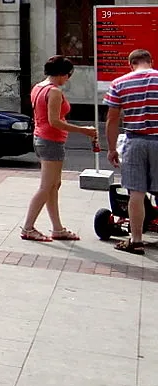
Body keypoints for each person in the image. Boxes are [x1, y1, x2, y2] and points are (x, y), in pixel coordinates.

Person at [21, 55, 98, 242]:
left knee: (53, 186)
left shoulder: (38, 87)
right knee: (47, 186)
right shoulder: (54, 92)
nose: (68, 79)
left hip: (41, 138)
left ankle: (57, 228)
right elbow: (55, 121)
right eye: (69, 75)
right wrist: (83, 130)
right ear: (63, 74)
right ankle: (28, 227)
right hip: (50, 140)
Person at [105, 49, 158, 255]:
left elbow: (112, 119)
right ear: (150, 61)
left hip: (134, 140)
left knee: (135, 193)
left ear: (131, 64)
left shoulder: (119, 83)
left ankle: (136, 240)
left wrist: (111, 149)